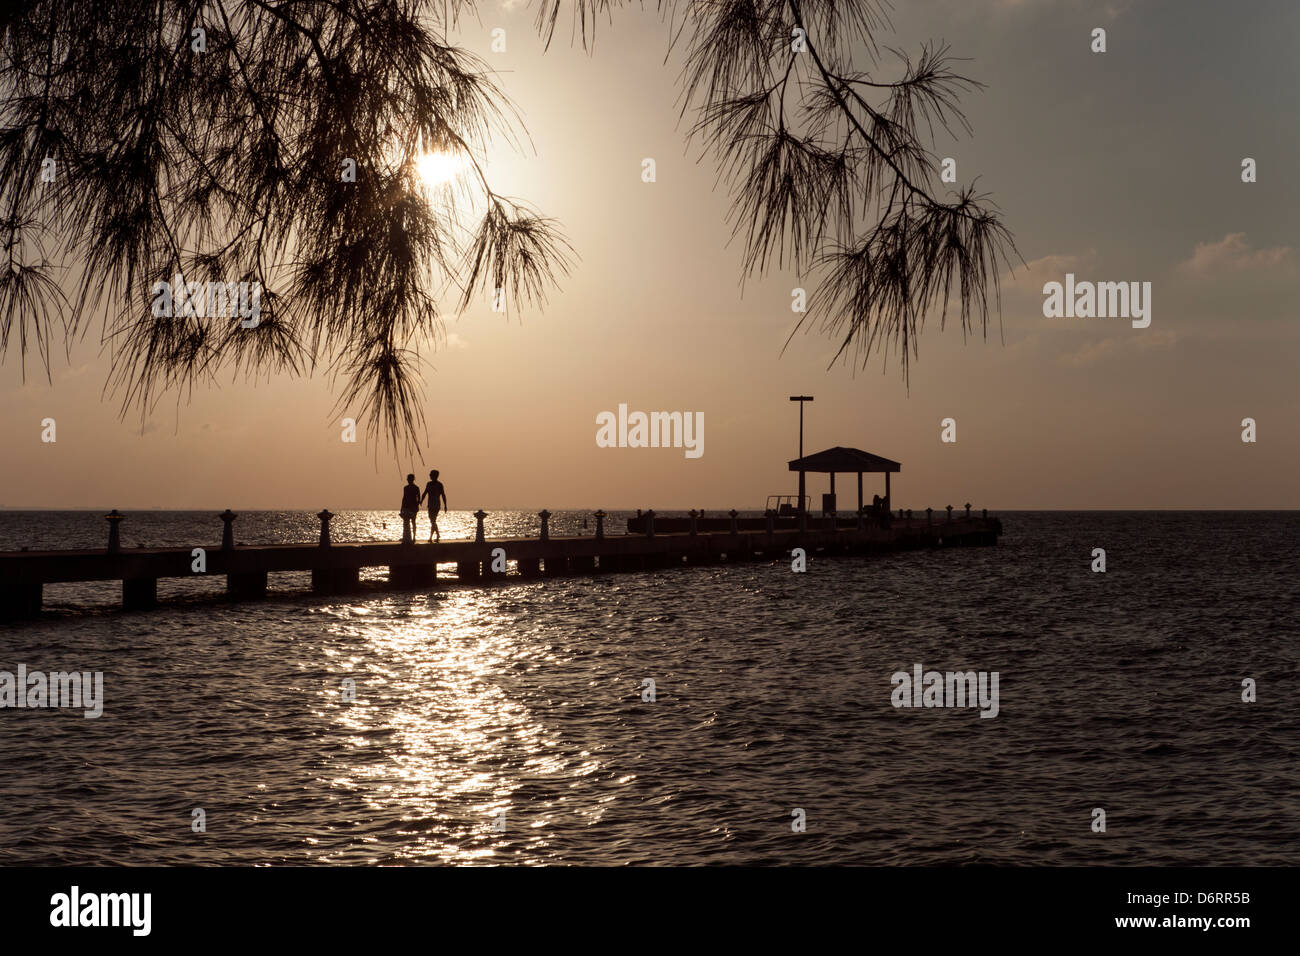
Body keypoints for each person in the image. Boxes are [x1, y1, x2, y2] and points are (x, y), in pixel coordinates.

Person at [420, 469, 447, 542]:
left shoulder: (439, 485)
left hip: (436, 505)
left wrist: (445, 505)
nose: (430, 476)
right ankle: (436, 535)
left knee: (433, 520)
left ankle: (433, 536)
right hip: (430, 505)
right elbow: (425, 493)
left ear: (435, 476)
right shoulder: (429, 484)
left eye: (431, 475)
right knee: (432, 521)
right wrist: (421, 500)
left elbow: (443, 495)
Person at [400, 474, 420, 543]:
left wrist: (416, 506)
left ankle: (413, 537)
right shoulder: (406, 488)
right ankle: (408, 537)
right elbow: (404, 498)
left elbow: (418, 498)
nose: (408, 480)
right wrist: (402, 507)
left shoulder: (416, 488)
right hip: (407, 507)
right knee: (407, 523)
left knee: (412, 522)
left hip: (412, 507)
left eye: (409, 479)